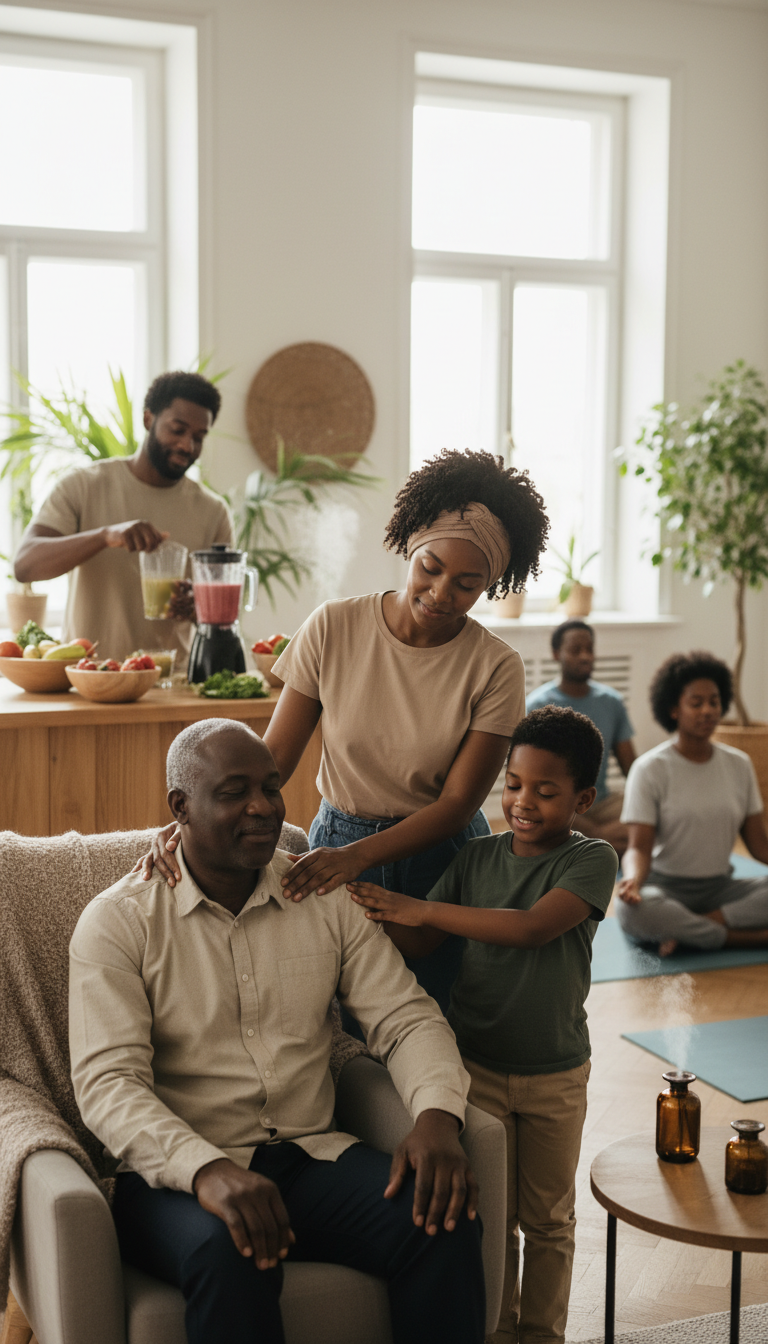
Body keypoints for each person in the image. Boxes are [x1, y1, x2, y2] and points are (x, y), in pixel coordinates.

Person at [69, 719, 485, 1344]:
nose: (262, 806)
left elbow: (405, 1016)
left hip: (308, 1156)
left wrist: (436, 1117)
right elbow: (108, 1084)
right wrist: (206, 1170)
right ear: (179, 807)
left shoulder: (320, 897)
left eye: (270, 786)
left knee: (442, 1218)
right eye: (234, 791)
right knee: (227, 1249)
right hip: (172, 1181)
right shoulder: (118, 923)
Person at [136, 448, 550, 1016]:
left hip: (441, 859)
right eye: (430, 568)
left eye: (466, 584)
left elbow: (457, 804)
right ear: (410, 544)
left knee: (431, 1016)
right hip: (338, 838)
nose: (440, 593)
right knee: (334, 1019)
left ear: (490, 585)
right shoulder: (334, 625)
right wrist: (186, 825)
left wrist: (357, 858)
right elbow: (271, 759)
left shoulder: (496, 666)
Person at [347, 706, 618, 1344]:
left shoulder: (592, 859)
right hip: (474, 1069)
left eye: (546, 791)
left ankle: (543, 1333)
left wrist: (420, 906)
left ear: (582, 799)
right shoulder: (475, 859)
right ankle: (493, 1330)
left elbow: (529, 929)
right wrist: (363, 911)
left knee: (548, 1220)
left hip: (555, 1074)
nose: (524, 801)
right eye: (514, 784)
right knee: (493, 1220)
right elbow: (418, 945)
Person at [14, 370, 232, 661]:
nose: (187, 446)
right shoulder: (83, 485)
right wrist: (104, 536)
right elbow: (25, 566)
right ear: (148, 419)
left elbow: (225, 617)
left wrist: (198, 607)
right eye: (177, 430)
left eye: (199, 437)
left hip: (171, 684)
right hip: (88, 677)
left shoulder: (213, 511)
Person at [617, 651, 768, 957]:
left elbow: (759, 845)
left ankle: (694, 931)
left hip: (720, 890)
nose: (708, 711)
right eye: (696, 703)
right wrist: (632, 880)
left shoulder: (739, 764)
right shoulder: (649, 769)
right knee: (631, 911)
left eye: (714, 702)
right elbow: (638, 847)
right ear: (674, 709)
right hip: (665, 888)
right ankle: (741, 938)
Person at [526, 620, 635, 855]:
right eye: (576, 650)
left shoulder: (611, 702)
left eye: (590, 649)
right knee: (539, 813)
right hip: (557, 805)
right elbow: (534, 781)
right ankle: (603, 844)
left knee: (655, 817)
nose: (585, 656)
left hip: (602, 804)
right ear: (557, 654)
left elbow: (633, 771)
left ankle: (590, 846)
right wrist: (602, 834)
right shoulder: (538, 705)